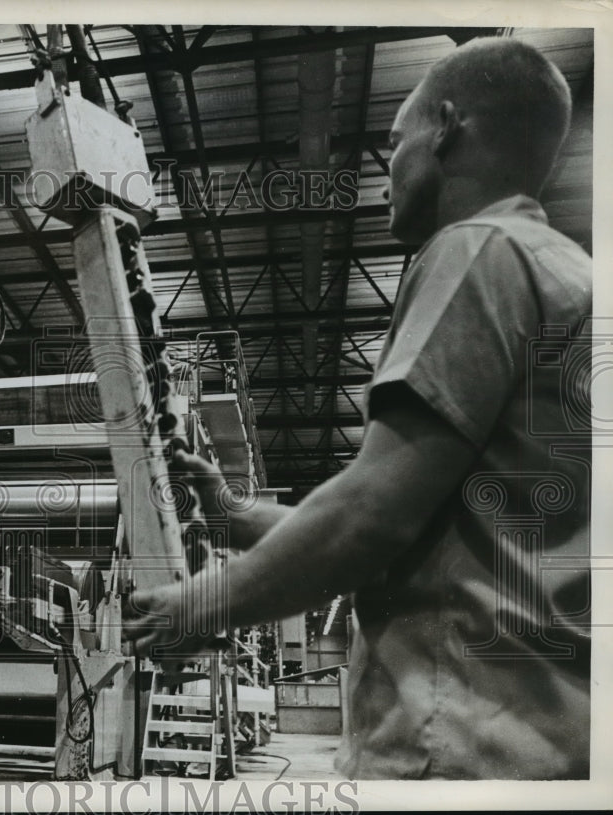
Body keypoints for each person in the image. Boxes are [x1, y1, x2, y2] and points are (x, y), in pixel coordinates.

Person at [123, 37, 592, 780]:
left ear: (445, 126)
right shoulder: (572, 277)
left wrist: (193, 606)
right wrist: (234, 513)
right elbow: (424, 542)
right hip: (550, 739)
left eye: (393, 141)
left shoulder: (477, 250)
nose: (383, 176)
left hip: (458, 738)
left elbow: (369, 518)